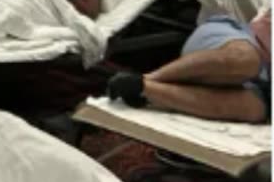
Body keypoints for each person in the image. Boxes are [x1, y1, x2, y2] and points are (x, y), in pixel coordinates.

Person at [107, 10, 270, 123]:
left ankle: (143, 89)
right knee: (245, 61)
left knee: (253, 110)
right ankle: (150, 77)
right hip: (240, 40)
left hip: (265, 88)